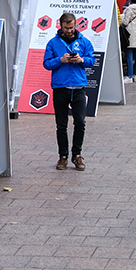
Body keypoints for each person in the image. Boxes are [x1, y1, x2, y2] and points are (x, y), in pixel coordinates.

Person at [42, 12, 95, 171]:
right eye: (66, 28)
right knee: (61, 124)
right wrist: (60, 60)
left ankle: (77, 155)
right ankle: (63, 156)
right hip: (60, 87)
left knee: (80, 122)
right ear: (60, 25)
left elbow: (92, 60)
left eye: (72, 27)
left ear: (75, 25)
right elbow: (46, 63)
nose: (69, 30)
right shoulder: (53, 43)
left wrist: (81, 60)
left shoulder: (84, 41)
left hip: (78, 87)